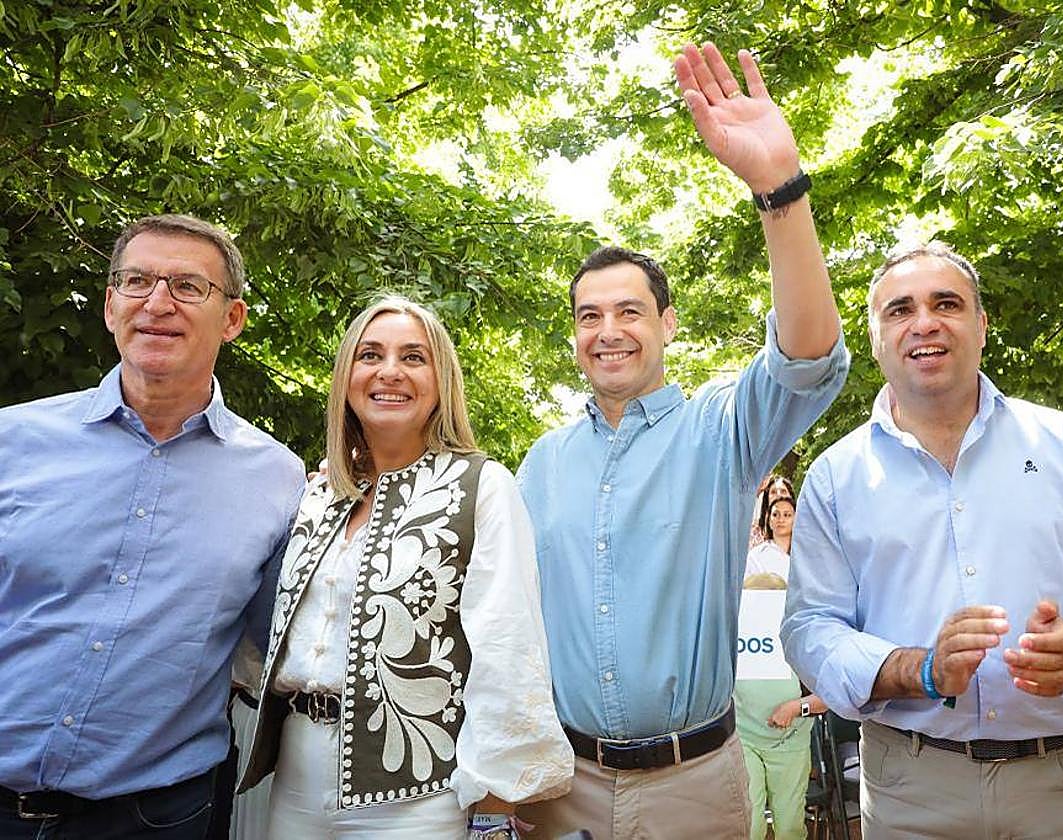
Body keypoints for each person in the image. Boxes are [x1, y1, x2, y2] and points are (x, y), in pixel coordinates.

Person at [516, 41, 849, 840]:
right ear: (573, 337)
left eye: (629, 311)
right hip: (561, 786)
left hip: (695, 786)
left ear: (665, 324)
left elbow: (808, 358)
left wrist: (780, 189)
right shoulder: (539, 465)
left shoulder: (721, 431)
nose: (609, 331)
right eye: (589, 316)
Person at [780, 241, 1063, 839]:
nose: (925, 322)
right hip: (910, 792)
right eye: (900, 309)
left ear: (982, 325)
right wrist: (915, 669)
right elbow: (810, 626)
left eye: (947, 303)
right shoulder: (835, 478)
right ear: (874, 337)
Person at [0, 214, 306, 838]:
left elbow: (281, 642)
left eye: (188, 287)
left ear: (233, 320)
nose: (157, 302)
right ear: (112, 306)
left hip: (161, 816)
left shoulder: (281, 479)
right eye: (137, 281)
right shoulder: (13, 441)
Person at [238, 295, 573, 839]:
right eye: (370, 354)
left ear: (441, 380)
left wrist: (492, 806)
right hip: (296, 775)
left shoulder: (481, 486)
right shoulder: (318, 495)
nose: (389, 371)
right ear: (347, 375)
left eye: (413, 357)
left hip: (418, 793)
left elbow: (509, 649)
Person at [736, 496, 823, 840]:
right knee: (752, 825)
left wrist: (796, 707)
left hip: (790, 742)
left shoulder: (801, 638)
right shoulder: (737, 633)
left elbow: (833, 695)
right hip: (744, 739)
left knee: (788, 827)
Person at [749, 475, 795, 548]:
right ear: (767, 499)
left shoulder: (799, 530)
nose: (779, 495)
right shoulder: (755, 531)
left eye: (783, 491)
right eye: (773, 492)